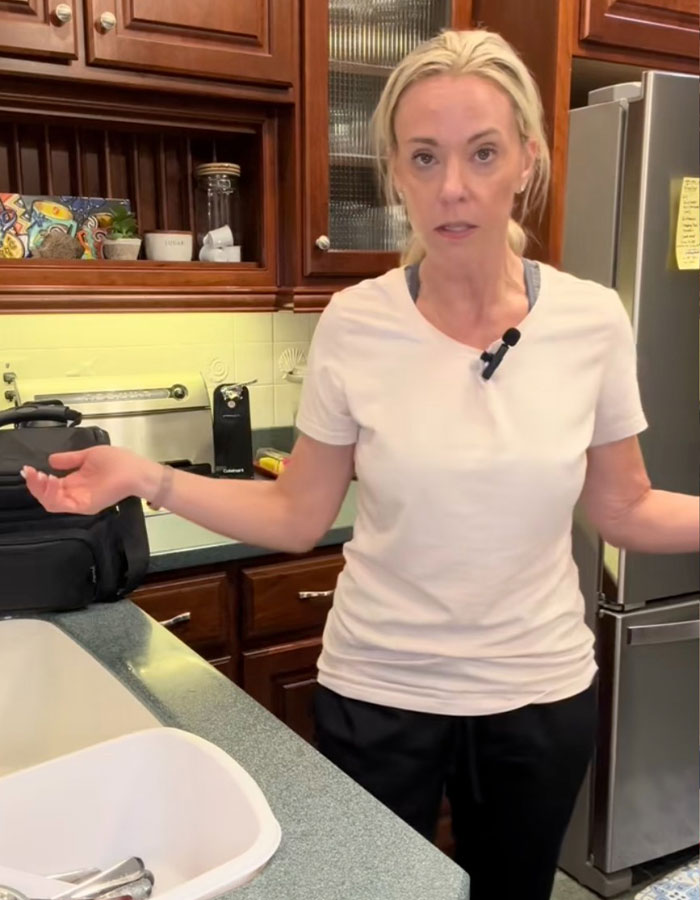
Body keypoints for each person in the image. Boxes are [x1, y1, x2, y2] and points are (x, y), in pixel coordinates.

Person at [21, 29, 698, 900]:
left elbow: (626, 509)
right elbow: (298, 514)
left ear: (527, 159)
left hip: (538, 697)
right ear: (395, 172)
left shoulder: (592, 321)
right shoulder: (354, 323)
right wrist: (147, 476)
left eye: (482, 152)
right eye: (424, 157)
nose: (453, 186)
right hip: (380, 694)